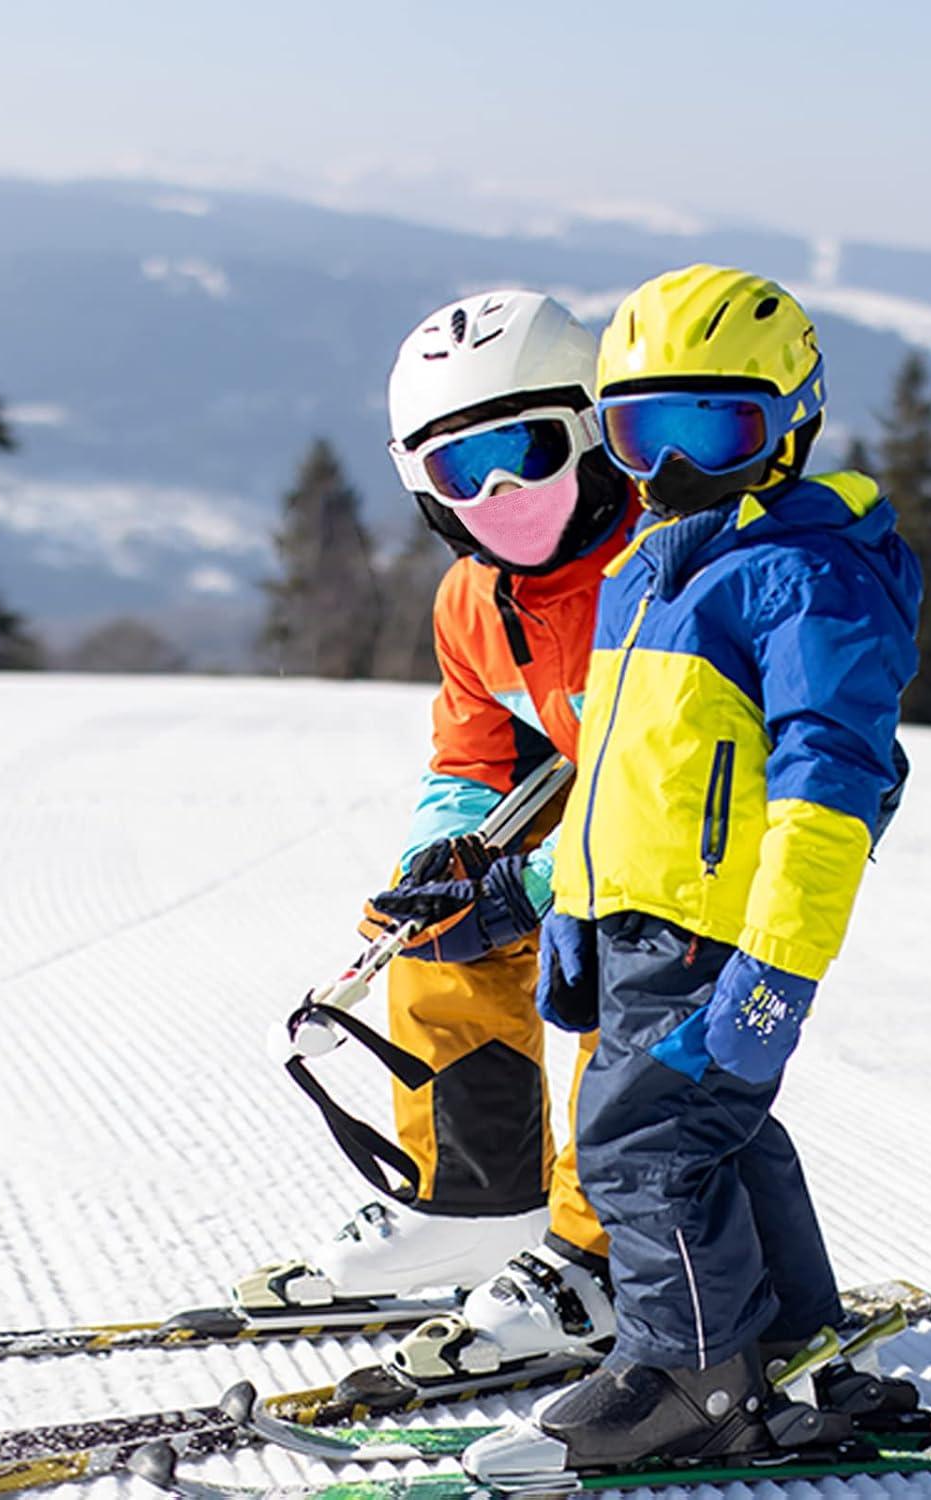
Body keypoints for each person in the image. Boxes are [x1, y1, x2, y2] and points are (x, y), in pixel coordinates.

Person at [479, 264, 922, 1470]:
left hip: (717, 933)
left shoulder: (808, 577)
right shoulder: (652, 565)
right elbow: (622, 769)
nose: (671, 467)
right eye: (641, 431)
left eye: (713, 428)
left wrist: (776, 968)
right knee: (721, 1135)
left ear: (791, 418)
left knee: (644, 1150)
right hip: (638, 921)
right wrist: (567, 899)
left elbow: (831, 792)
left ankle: (689, 1375)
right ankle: (788, 1348)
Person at [235, 290, 635, 1376]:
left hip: (712, 825)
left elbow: (665, 786)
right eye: (466, 471)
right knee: (440, 926)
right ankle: (476, 1195)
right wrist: (444, 861)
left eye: (526, 451)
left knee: (628, 956)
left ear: (597, 430)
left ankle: (605, 1254)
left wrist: (541, 884)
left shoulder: (666, 572)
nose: (501, 492)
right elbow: (474, 752)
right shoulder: (476, 600)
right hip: (603, 797)